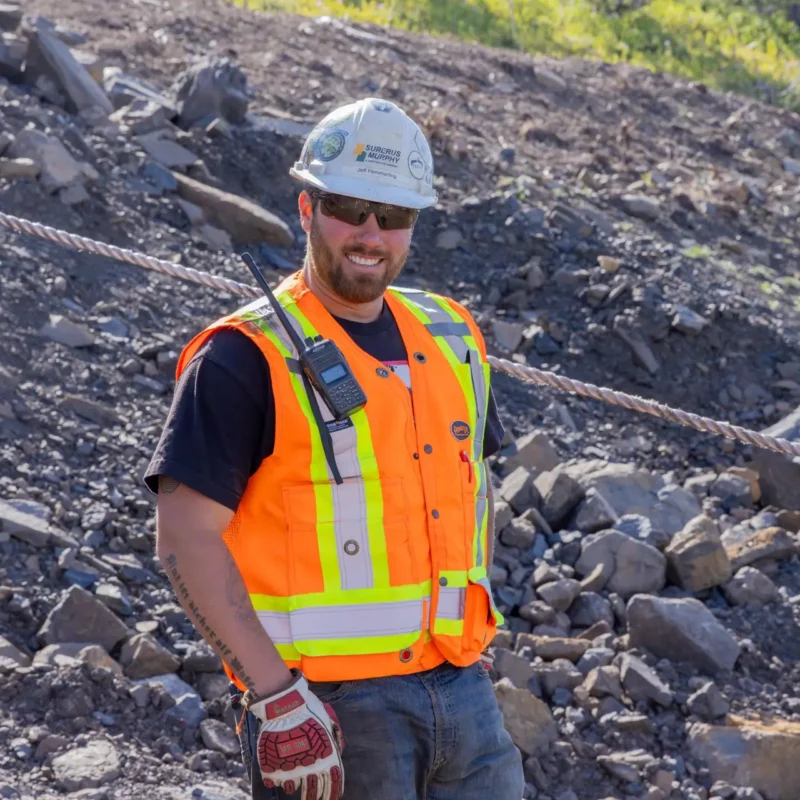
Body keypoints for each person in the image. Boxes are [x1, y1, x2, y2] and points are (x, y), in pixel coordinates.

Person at [145, 97, 525, 800]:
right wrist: (275, 697)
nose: (371, 233)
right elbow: (184, 539)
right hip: (329, 705)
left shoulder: (452, 336)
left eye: (395, 215)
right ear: (307, 208)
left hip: (463, 690)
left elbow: (474, 494)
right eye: (350, 206)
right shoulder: (244, 356)